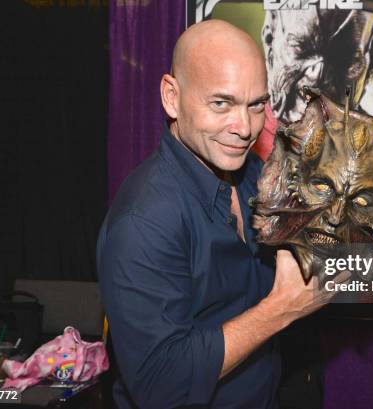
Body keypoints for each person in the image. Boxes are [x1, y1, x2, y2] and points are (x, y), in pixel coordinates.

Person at [97, 20, 343, 409]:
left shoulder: (252, 178)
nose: (244, 128)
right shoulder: (144, 220)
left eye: (256, 105)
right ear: (171, 97)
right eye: (221, 103)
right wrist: (280, 309)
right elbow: (160, 385)